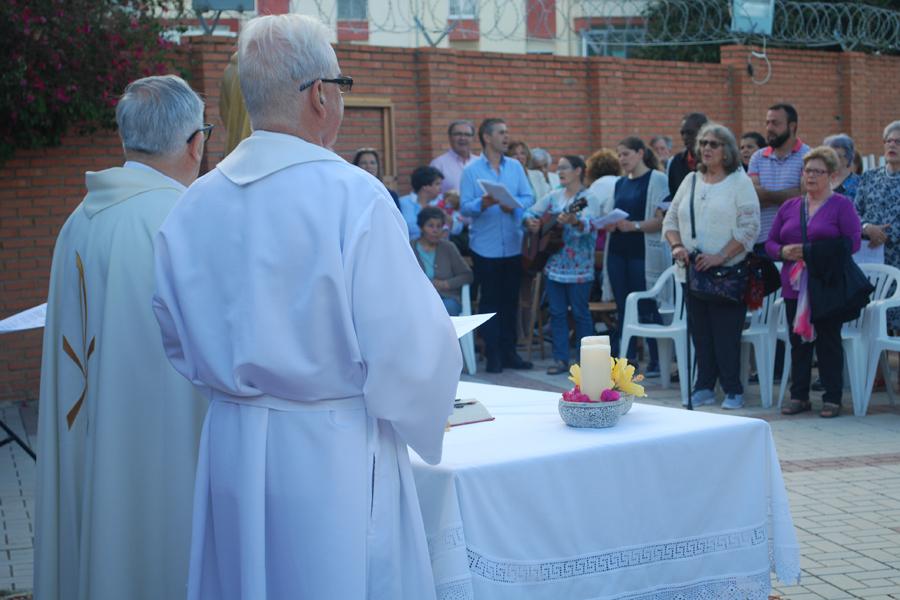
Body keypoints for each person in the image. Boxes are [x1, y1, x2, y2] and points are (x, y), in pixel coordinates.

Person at [152, 14, 461, 599]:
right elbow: (412, 347)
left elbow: (174, 334)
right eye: (341, 85)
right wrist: (420, 413)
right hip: (332, 452)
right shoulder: (351, 195)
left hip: (233, 443)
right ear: (321, 95)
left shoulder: (194, 204)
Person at [34, 75, 209, 600]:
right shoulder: (182, 220)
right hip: (161, 446)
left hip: (94, 428)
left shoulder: (80, 218)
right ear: (196, 142)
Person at [663, 123, 760, 409]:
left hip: (728, 272)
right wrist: (677, 246)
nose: (706, 148)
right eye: (703, 142)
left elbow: (749, 227)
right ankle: (703, 386)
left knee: (726, 334)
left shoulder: (739, 182)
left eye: (713, 144)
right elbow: (670, 220)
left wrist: (720, 256)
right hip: (692, 272)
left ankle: (732, 389)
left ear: (727, 150)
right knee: (701, 334)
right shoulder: (691, 180)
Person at [767, 146, 862, 418]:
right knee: (798, 342)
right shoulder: (790, 206)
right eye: (807, 171)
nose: (810, 176)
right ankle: (799, 396)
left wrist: (812, 253)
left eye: (817, 172)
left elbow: (852, 242)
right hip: (793, 285)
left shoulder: (841, 205)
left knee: (828, 340)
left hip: (827, 282)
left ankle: (833, 398)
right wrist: (783, 252)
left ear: (831, 176)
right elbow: (771, 242)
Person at [460, 118, 534, 372]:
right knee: (489, 302)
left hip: (513, 244)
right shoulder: (471, 171)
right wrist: (484, 203)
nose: (506, 137)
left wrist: (511, 203)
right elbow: (465, 206)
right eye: (501, 133)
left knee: (510, 301)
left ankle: (510, 352)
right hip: (485, 247)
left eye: (507, 132)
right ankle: (493, 355)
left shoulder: (514, 167)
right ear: (487, 137)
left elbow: (529, 197)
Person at [523, 155, 598, 374]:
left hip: (580, 267)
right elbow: (529, 211)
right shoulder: (554, 196)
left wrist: (576, 221)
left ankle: (588, 362)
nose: (560, 171)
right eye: (559, 167)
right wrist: (531, 221)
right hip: (554, 265)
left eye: (565, 167)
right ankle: (560, 360)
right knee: (556, 313)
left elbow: (592, 224)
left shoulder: (589, 197)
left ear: (578, 170)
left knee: (580, 313)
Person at [601, 137, 668, 375]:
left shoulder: (657, 179)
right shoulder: (620, 183)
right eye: (619, 155)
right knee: (623, 307)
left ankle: (658, 360)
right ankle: (626, 361)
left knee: (646, 305)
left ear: (640, 153)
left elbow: (663, 220)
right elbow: (611, 214)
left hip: (643, 252)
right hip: (618, 252)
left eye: (626, 154)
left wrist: (635, 226)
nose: (622, 159)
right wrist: (609, 223)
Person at [855, 121, 900, 328]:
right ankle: (878, 362)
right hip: (872, 259)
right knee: (872, 323)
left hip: (897, 259)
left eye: (898, 142)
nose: (892, 146)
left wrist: (886, 235)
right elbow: (854, 213)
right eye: (889, 141)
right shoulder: (869, 177)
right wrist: (867, 228)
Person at [748, 103, 810, 253]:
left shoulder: (809, 156)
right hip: (761, 241)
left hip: (795, 242)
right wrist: (789, 195)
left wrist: (767, 195)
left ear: (792, 126)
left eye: (775, 123)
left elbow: (805, 198)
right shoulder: (757, 157)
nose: (769, 128)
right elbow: (752, 198)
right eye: (767, 123)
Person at [412, 206, 473, 315]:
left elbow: (467, 275)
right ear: (421, 228)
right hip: (417, 298)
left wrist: (445, 284)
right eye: (430, 226)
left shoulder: (448, 247)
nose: (435, 230)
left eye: (439, 226)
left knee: (442, 310)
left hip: (447, 298)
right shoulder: (410, 247)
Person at [430, 119, 479, 194]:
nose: (463, 138)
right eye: (458, 134)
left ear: (473, 138)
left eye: (467, 135)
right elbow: (431, 197)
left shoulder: (480, 163)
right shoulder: (438, 165)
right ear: (449, 137)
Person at [668, 112, 708, 199]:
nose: (685, 137)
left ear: (704, 132)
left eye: (690, 132)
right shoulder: (676, 162)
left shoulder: (716, 161)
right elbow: (673, 197)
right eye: (682, 133)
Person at [399, 165, 444, 240]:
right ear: (425, 186)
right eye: (437, 184)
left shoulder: (441, 203)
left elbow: (456, 230)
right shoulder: (402, 203)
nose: (440, 188)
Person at [824, 133, 860, 200]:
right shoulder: (822, 182)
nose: (832, 159)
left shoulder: (860, 185)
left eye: (837, 156)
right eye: (829, 156)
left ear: (848, 158)